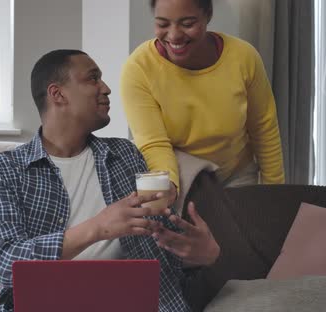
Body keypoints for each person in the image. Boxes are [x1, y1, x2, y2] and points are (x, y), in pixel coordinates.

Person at [0, 49, 220, 312]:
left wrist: (202, 255)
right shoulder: (3, 170)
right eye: (93, 79)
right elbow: (7, 264)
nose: (106, 89)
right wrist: (98, 228)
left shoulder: (125, 156)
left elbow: (158, 251)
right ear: (57, 94)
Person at [120, 0, 285, 191]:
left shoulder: (243, 57)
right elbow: (154, 145)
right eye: (162, 24)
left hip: (237, 175)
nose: (174, 35)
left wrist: (275, 191)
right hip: (182, 178)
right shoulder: (138, 69)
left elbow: (264, 128)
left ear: (208, 15)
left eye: (188, 23)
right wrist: (169, 187)